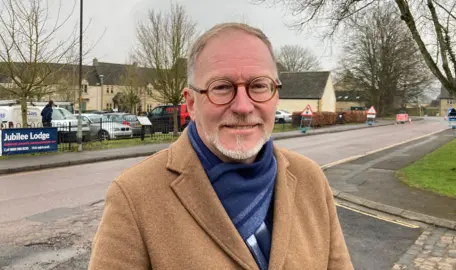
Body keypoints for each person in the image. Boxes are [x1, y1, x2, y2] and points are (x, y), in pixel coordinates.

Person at [88, 23, 353, 269]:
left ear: (275, 95)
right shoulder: (134, 195)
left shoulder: (310, 179)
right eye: (222, 87)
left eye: (259, 86)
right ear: (191, 103)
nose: (242, 106)